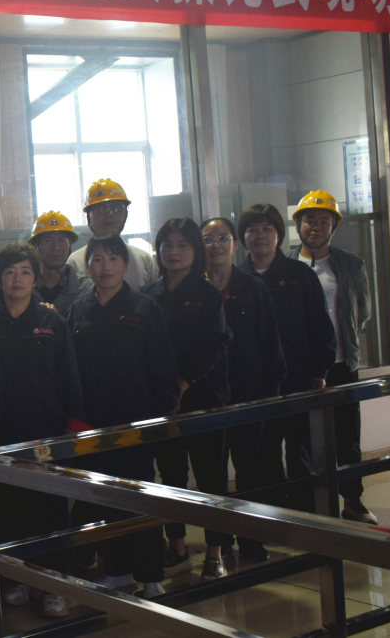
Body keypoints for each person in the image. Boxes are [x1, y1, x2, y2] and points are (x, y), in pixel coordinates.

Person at [65, 234, 181, 599]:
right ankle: (116, 571)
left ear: (126, 265)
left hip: (135, 423)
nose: (105, 267)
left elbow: (164, 368)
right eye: (97, 259)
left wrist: (154, 417)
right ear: (87, 266)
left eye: (113, 259)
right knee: (105, 497)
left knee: (140, 497)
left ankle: (151, 575)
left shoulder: (145, 308)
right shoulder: (79, 309)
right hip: (93, 426)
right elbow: (70, 369)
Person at [0, 243, 89, 619]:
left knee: (51, 510)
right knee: (10, 510)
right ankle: (20, 578)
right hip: (1, 435)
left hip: (47, 433)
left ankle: (56, 582)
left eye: (25, 271)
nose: (18, 279)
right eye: (10, 272)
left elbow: (70, 378)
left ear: (34, 278)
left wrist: (72, 433)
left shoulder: (52, 322)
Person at [141, 219, 233, 581]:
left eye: (182, 245)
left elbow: (215, 344)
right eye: (167, 245)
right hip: (163, 404)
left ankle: (215, 552)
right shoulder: (149, 294)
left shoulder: (208, 294)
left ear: (195, 251)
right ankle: (177, 549)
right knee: (171, 476)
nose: (174, 252)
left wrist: (182, 384)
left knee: (212, 477)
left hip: (204, 398)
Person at [237, 204, 336, 513]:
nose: (260, 236)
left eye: (267, 229)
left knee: (300, 452)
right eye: (252, 229)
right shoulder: (237, 279)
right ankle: (275, 517)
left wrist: (319, 371)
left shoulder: (299, 274)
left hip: (298, 379)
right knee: (263, 453)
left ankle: (305, 517)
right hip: (255, 385)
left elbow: (320, 325)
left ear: (279, 234)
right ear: (243, 237)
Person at [202, 216, 286, 563]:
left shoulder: (252, 287)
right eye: (208, 239)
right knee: (213, 475)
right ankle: (219, 544)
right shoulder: (194, 290)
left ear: (235, 245)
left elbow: (269, 340)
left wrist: (272, 389)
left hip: (248, 392)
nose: (216, 245)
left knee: (250, 469)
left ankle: (252, 540)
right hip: (208, 396)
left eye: (223, 238)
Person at [290, 190, 376, 524]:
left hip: (341, 364)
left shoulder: (351, 264)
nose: (316, 226)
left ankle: (353, 500)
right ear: (298, 224)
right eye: (309, 220)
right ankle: (307, 504)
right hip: (300, 368)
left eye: (324, 221)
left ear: (334, 227)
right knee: (301, 438)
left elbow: (362, 312)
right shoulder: (288, 265)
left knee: (347, 435)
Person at [68, 179, 156, 297]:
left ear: (125, 214)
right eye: (100, 209)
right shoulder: (74, 263)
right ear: (88, 217)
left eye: (116, 208)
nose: (109, 214)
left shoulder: (144, 259)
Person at [29, 210, 83, 316]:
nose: (56, 247)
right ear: (36, 247)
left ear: (70, 247)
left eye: (62, 240)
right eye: (48, 240)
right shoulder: (23, 287)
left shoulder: (85, 288)